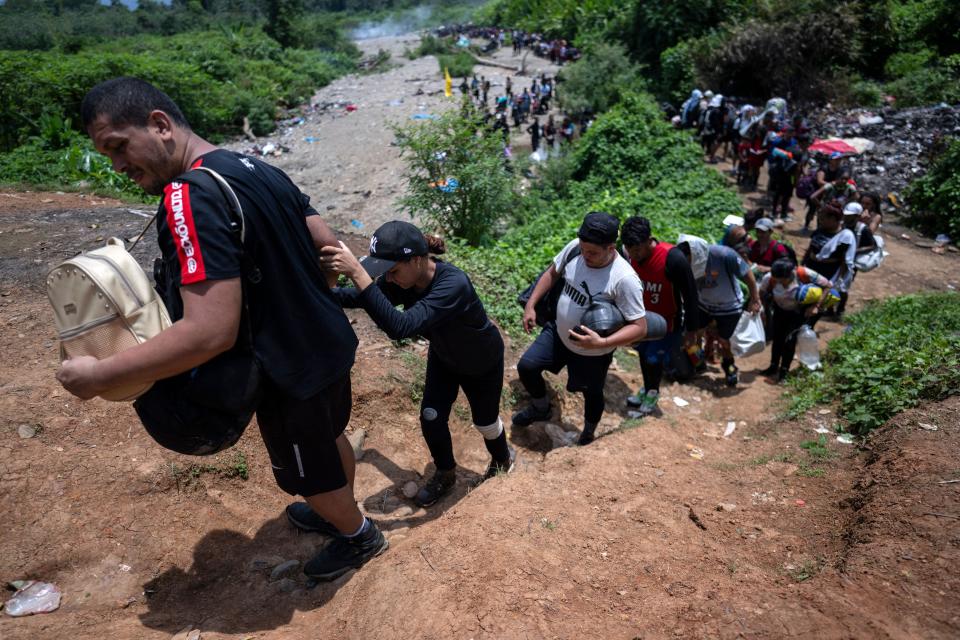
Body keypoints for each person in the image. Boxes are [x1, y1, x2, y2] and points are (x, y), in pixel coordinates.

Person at [63, 77, 385, 581]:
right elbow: (326, 242)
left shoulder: (187, 196)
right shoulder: (257, 167)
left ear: (160, 124)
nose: (118, 166)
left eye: (117, 148)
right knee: (328, 434)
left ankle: (356, 535)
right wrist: (305, 296)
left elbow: (209, 332)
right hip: (327, 343)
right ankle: (336, 510)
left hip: (288, 369)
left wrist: (101, 375)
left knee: (304, 469)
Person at [320, 222, 515, 507]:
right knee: (431, 417)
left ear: (417, 260)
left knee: (485, 423)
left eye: (394, 270)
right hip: (445, 357)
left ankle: (502, 461)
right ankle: (446, 473)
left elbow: (401, 326)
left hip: (481, 362)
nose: (390, 277)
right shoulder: (404, 279)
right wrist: (318, 293)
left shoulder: (452, 285)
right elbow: (363, 298)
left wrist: (358, 275)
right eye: (385, 272)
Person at [512, 212, 648, 445]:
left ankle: (588, 432)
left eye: (593, 253)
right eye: (584, 249)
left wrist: (602, 343)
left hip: (592, 352)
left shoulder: (624, 279)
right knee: (527, 366)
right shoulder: (576, 247)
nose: (586, 256)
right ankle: (540, 407)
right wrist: (531, 305)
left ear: (610, 248)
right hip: (558, 333)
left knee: (592, 393)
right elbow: (552, 272)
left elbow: (640, 327)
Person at [621, 217, 699, 414]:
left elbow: (690, 295)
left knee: (653, 358)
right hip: (641, 320)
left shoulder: (673, 259)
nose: (633, 254)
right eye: (629, 249)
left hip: (667, 322)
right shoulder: (628, 255)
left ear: (649, 240)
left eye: (637, 249)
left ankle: (652, 394)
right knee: (643, 355)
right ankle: (647, 389)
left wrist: (692, 330)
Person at [679, 235, 761, 386]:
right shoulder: (683, 259)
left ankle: (729, 368)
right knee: (692, 334)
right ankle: (698, 362)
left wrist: (755, 298)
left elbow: (747, 274)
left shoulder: (723, 255)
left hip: (729, 306)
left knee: (725, 342)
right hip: (703, 303)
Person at [758, 259, 835, 382]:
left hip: (799, 312)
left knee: (790, 340)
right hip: (780, 310)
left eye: (782, 280)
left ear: (790, 275)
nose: (780, 283)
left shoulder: (804, 274)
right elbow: (761, 292)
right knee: (777, 338)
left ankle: (784, 372)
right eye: (777, 280)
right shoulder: (769, 278)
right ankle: (773, 367)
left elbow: (828, 285)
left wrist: (815, 306)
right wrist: (761, 309)